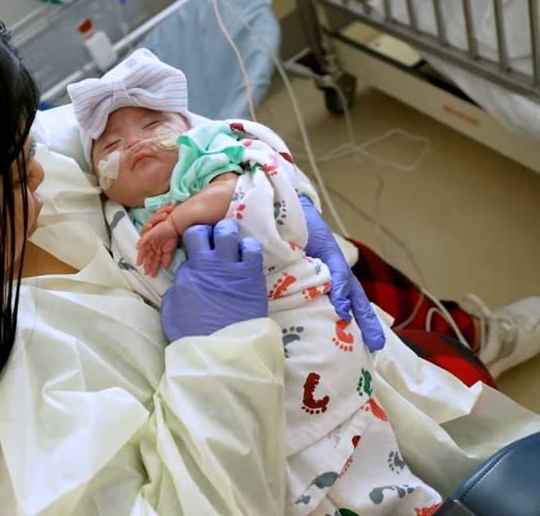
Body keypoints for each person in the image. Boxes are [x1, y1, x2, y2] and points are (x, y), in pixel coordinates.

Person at [0, 0, 540, 515]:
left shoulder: (21, 184)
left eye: (20, 142)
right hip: (300, 462)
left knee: (360, 274)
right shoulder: (4, 431)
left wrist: (268, 173)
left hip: (318, 357)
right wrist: (216, 354)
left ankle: (464, 336)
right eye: (9, 171)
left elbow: (134, 128)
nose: (36, 166)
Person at [69, 50, 445, 514]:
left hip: (298, 315)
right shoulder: (117, 227)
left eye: (151, 126)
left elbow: (243, 184)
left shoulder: (201, 166)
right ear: (100, 185)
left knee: (363, 452)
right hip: (236, 371)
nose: (134, 144)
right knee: (290, 468)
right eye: (109, 147)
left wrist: (182, 217)